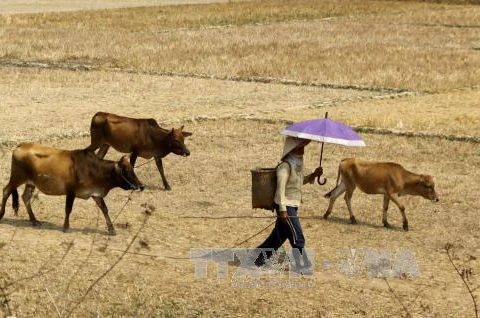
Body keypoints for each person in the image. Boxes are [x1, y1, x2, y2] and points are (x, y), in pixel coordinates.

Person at [254, 136, 322, 270]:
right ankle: (301, 264)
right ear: (292, 149)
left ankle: (257, 258)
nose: (303, 150)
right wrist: (283, 209)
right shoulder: (285, 167)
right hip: (286, 206)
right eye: (300, 147)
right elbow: (280, 190)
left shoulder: (295, 166)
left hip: (292, 205)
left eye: (303, 147)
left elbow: (298, 182)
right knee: (297, 236)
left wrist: (314, 174)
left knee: (279, 236)